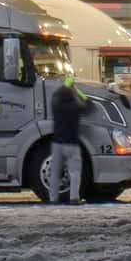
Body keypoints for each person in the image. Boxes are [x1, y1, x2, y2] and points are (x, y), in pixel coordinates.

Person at [48, 73, 90, 204]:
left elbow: (56, 94)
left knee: (55, 173)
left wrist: (67, 84)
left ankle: (53, 199)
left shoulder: (56, 105)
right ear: (72, 97)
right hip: (72, 144)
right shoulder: (75, 108)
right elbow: (89, 105)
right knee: (75, 172)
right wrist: (77, 91)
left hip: (57, 143)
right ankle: (74, 198)